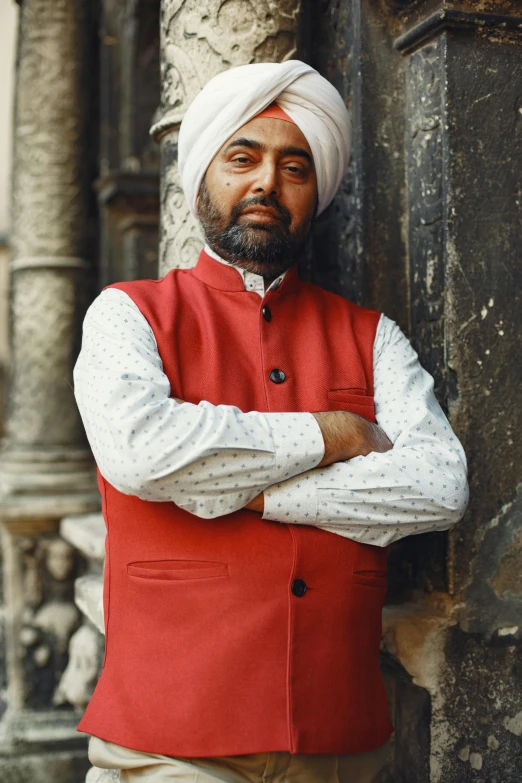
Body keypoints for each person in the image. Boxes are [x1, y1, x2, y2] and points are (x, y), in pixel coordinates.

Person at [73, 60, 468, 783]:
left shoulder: (372, 335)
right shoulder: (127, 315)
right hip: (173, 742)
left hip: (340, 746)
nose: (266, 184)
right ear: (201, 180)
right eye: (242, 158)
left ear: (316, 191)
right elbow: (143, 451)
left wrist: (254, 491)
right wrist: (333, 434)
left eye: (294, 166)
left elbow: (438, 484)